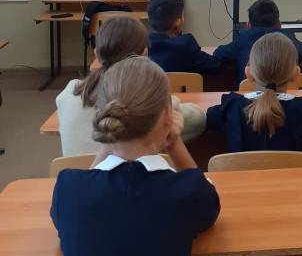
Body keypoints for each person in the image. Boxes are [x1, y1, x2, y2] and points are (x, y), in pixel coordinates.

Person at [51, 57, 220, 256]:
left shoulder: (68, 188)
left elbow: (83, 193)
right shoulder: (188, 191)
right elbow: (209, 205)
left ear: (104, 113)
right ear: (168, 114)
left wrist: (109, 143)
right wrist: (174, 144)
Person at [56, 16, 205, 156]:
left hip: (77, 174)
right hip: (136, 174)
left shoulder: (70, 92)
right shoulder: (150, 97)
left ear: (96, 53)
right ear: (144, 54)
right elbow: (199, 120)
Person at [207, 32, 302, 151]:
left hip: (242, 176)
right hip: (292, 176)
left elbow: (208, 118)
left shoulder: (231, 107)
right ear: (296, 73)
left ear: (249, 73)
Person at [213, 0, 302, 88]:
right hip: (286, 94)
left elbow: (218, 53)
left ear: (248, 25)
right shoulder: (287, 36)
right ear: (279, 25)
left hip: (248, 95)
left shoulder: (243, 38)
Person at [147, 0, 224, 75]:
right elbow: (215, 66)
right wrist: (220, 51)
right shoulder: (185, 45)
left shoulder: (142, 46)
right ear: (178, 22)